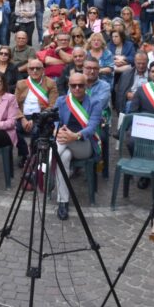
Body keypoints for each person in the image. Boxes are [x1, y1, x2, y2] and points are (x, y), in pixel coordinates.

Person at [53, 63, 107, 220]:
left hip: (85, 144)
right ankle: (63, 201)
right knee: (63, 157)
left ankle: (44, 166)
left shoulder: (94, 103)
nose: (77, 88)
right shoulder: (62, 101)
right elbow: (56, 122)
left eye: (80, 85)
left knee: (60, 144)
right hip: (64, 142)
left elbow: (91, 128)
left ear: (86, 86)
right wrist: (59, 131)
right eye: (73, 85)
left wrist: (74, 136)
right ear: (69, 85)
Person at [14, 60, 58, 166]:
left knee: (36, 131)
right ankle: (25, 154)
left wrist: (36, 120)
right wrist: (22, 119)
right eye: (31, 68)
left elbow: (53, 105)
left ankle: (34, 156)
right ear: (27, 70)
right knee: (12, 130)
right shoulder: (21, 84)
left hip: (41, 116)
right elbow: (13, 104)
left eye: (38, 68)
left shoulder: (50, 83)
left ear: (43, 70)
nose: (34, 70)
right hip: (23, 116)